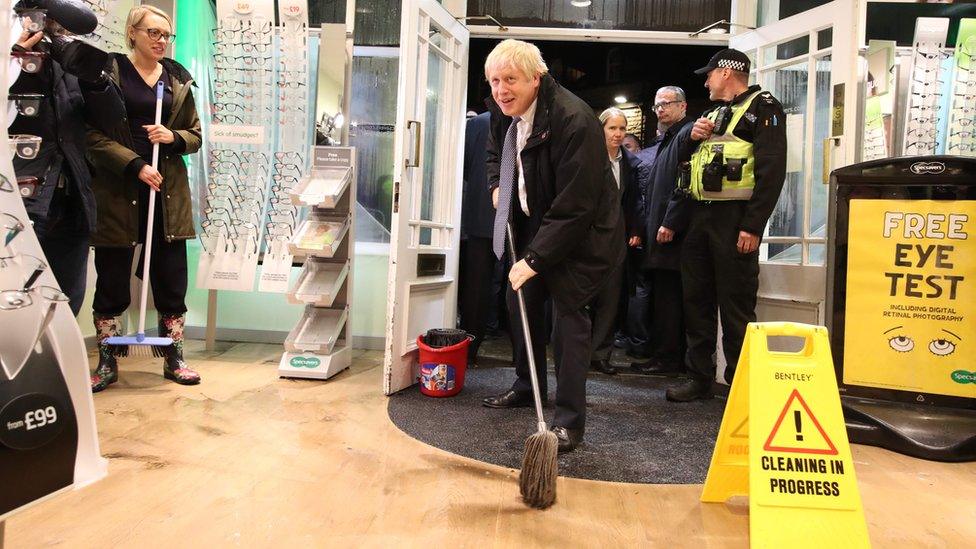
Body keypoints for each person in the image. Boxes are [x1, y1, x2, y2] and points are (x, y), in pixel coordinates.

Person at [480, 39, 625, 453]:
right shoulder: (502, 110)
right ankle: (528, 385)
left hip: (582, 234)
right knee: (518, 303)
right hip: (534, 219)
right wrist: (497, 184)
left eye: (510, 80)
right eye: (494, 81)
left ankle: (568, 421)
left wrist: (535, 259)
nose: (501, 89)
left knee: (567, 319)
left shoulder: (574, 120)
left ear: (536, 79)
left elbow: (576, 207)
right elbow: (497, 151)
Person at [86, 5, 202, 392]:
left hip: (166, 190)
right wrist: (134, 163)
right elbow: (89, 135)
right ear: (132, 33)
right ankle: (106, 361)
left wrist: (174, 138)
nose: (161, 41)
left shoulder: (177, 80)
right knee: (112, 276)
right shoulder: (108, 75)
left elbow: (195, 135)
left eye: (166, 35)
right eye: (153, 33)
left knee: (171, 276)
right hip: (119, 188)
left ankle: (174, 356)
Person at [666, 49, 787, 402]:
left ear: (727, 72)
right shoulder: (712, 113)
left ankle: (740, 385)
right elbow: (687, 165)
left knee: (736, 307)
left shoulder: (765, 108)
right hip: (700, 217)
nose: (706, 82)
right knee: (697, 301)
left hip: (736, 220)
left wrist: (753, 226)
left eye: (710, 75)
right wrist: (691, 138)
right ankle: (699, 378)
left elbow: (772, 172)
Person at [7, 0, 120, 316]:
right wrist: (12, 60)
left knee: (65, 302)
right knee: (16, 300)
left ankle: (57, 365)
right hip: (21, 200)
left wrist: (96, 80)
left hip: (72, 202)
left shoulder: (68, 59)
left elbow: (112, 120)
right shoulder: (10, 56)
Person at [631, 86, 694, 375]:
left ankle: (670, 359)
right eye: (657, 105)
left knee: (670, 298)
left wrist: (670, 221)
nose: (661, 109)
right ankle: (662, 354)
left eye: (667, 104)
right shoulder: (669, 138)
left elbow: (684, 183)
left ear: (683, 106)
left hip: (673, 234)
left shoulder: (687, 133)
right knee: (661, 296)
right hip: (659, 229)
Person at [588, 107, 643, 376]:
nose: (618, 134)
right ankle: (577, 352)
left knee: (611, 299)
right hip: (587, 237)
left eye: (622, 128)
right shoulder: (587, 159)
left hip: (617, 238)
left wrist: (634, 229)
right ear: (601, 129)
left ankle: (600, 354)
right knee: (584, 298)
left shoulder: (630, 163)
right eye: (612, 128)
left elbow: (633, 200)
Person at [458, 111, 497, 363]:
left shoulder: (478, 124)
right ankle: (522, 353)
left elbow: (465, 169)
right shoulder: (483, 123)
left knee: (477, 286)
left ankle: (471, 348)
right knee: (516, 287)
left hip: (481, 213)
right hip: (506, 214)